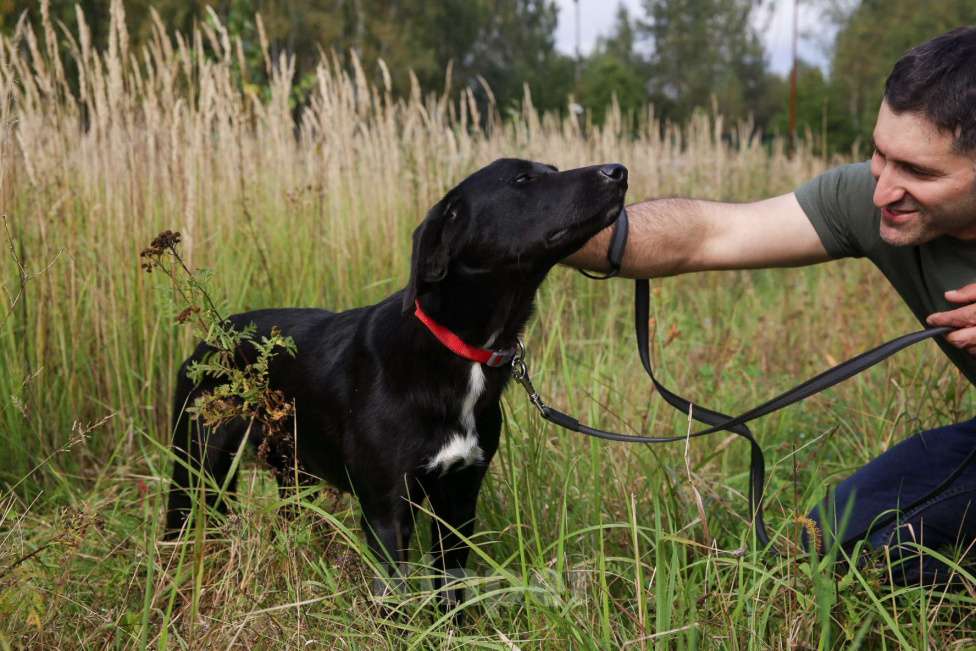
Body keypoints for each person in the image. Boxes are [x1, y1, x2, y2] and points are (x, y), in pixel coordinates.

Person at [566, 26, 976, 586]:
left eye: (920, 172)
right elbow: (708, 234)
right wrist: (542, 232)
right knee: (817, 551)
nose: (882, 190)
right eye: (881, 154)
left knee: (896, 562)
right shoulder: (877, 201)